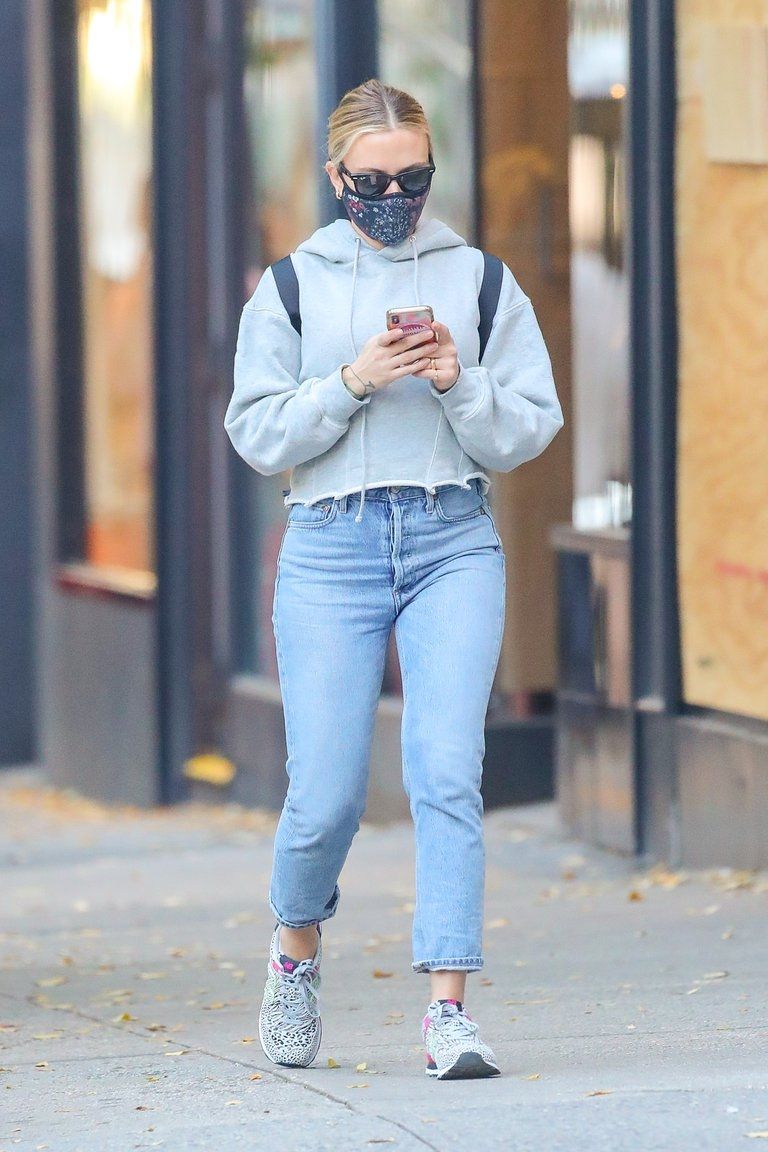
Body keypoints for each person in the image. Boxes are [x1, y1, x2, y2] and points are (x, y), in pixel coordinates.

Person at [224, 78, 564, 1081]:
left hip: (451, 539)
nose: (394, 198)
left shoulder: (481, 280)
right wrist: (353, 381)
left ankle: (448, 1011)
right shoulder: (291, 285)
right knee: (325, 795)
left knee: (447, 771)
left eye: (413, 178)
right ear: (337, 177)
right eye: (372, 181)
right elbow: (255, 430)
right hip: (329, 550)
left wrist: (459, 380)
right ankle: (294, 949)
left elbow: (530, 425)